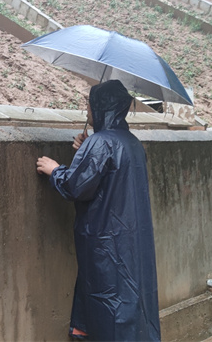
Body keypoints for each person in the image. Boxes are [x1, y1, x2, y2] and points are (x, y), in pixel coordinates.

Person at [36, 80, 161, 341]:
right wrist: (86, 150)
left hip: (106, 243)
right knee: (131, 302)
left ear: (102, 106)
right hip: (130, 241)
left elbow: (75, 187)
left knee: (108, 304)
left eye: (90, 105)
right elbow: (110, 176)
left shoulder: (101, 143)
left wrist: (55, 170)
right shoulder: (132, 143)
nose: (87, 111)